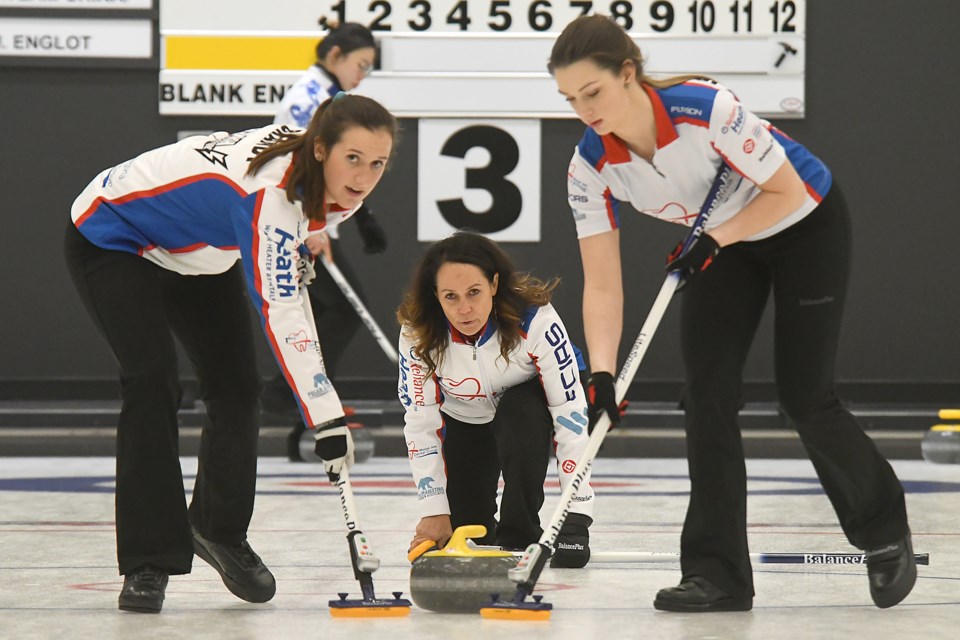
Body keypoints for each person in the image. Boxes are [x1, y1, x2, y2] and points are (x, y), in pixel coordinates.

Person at [548, 15, 915, 610]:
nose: (584, 109)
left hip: (803, 224)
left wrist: (716, 239)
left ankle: (883, 530)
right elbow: (603, 287)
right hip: (720, 243)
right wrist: (602, 375)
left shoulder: (707, 110)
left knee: (804, 396)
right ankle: (717, 574)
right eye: (569, 99)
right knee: (707, 395)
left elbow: (786, 192)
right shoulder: (589, 166)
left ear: (628, 73)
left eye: (593, 92)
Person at [64, 93, 398, 613]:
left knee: (238, 388)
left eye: (378, 163)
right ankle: (147, 560)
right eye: (352, 158)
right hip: (115, 234)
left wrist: (299, 245)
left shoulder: (334, 190)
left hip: (196, 255)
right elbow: (280, 309)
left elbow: (292, 254)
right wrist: (325, 415)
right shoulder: (270, 191)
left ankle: (217, 529)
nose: (364, 175)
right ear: (319, 150)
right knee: (153, 379)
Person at [397, 232, 596, 568]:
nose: (464, 309)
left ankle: (521, 532)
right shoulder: (418, 334)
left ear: (494, 284)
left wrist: (575, 512)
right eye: (450, 297)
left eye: (474, 292)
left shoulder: (535, 321)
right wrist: (434, 509)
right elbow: (421, 422)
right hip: (464, 415)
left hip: (530, 410)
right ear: (436, 296)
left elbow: (569, 414)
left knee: (519, 413)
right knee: (470, 530)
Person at [265, 22, 390, 461]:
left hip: (308, 221)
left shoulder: (332, 99)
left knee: (321, 313)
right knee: (337, 310)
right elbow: (297, 160)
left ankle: (306, 400)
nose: (362, 74)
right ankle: (290, 393)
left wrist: (362, 220)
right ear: (335, 55)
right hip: (292, 223)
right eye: (360, 64)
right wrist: (314, 227)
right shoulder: (309, 99)